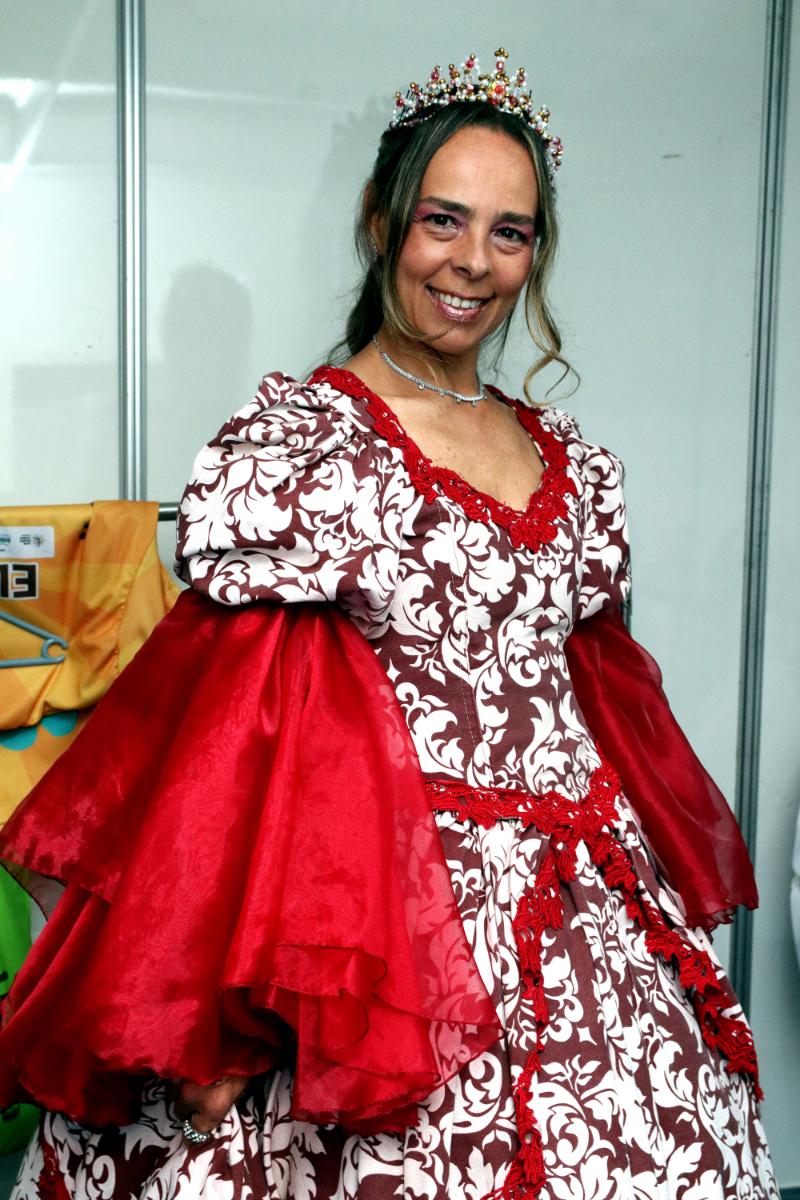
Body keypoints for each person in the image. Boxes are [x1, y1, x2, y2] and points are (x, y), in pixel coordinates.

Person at [0, 49, 779, 1200]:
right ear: (380, 222)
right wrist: (222, 999)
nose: (471, 262)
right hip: (366, 920)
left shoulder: (575, 463)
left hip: (577, 900)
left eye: (509, 233)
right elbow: (236, 729)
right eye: (441, 220)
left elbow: (606, 703)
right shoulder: (308, 452)